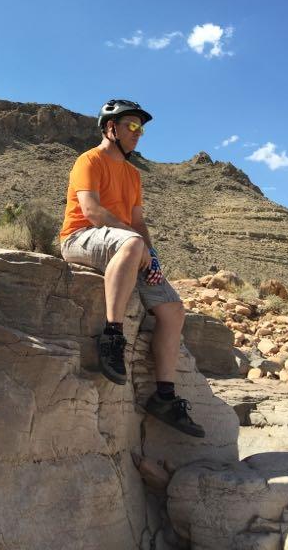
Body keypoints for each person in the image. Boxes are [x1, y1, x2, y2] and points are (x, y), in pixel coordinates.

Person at [60, 99, 205, 438]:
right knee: (132, 243)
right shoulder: (89, 160)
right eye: (132, 125)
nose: (139, 133)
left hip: (126, 244)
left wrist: (152, 256)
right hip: (80, 238)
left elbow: (138, 222)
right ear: (110, 127)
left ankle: (164, 397)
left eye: (141, 128)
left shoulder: (133, 174)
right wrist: (136, 243)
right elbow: (92, 211)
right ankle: (113, 337)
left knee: (173, 310)